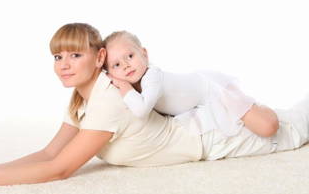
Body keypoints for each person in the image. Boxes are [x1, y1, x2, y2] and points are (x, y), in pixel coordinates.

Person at [0, 23, 309, 191]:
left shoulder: (109, 98)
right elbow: (50, 151)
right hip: (197, 125)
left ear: (98, 58)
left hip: (210, 136)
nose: (63, 64)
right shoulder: (80, 98)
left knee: (289, 130)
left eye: (74, 54)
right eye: (57, 56)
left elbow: (60, 169)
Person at [103, 30, 279, 139]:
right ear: (109, 72)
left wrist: (124, 87)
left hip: (212, 88)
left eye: (130, 56)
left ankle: (262, 107)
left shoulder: (152, 75)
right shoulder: (134, 84)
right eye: (116, 65)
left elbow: (141, 110)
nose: (126, 65)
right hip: (198, 104)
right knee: (240, 130)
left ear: (144, 54)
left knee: (267, 127)